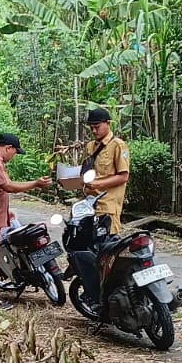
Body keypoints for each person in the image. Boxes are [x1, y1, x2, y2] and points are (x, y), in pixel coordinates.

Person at [0, 132, 50, 290]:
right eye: (15, 152)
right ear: (8, 148)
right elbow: (7, 186)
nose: (14, 155)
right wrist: (35, 184)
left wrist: (6, 212)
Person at [69, 107, 131, 307]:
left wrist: (99, 185)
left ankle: (111, 296)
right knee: (89, 252)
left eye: (97, 127)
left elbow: (123, 176)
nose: (94, 131)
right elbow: (85, 173)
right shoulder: (89, 147)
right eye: (92, 128)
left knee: (107, 253)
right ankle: (96, 293)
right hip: (89, 209)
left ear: (108, 124)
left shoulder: (118, 146)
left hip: (108, 208)